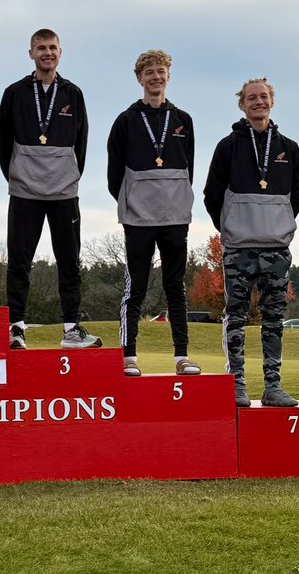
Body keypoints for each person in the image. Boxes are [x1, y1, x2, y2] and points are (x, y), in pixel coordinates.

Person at [204, 77, 299, 407]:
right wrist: (232, 227)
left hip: (276, 247)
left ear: (272, 101)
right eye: (251, 98)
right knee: (235, 314)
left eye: (263, 96)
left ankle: (273, 385)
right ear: (242, 104)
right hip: (238, 247)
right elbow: (211, 195)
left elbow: (296, 196)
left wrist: (279, 225)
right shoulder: (227, 146)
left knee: (274, 317)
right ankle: (237, 383)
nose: (258, 102)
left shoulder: (289, 148)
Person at [0, 29, 96, 350]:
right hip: (25, 191)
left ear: (60, 52)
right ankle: (16, 328)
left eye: (52, 47)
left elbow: (80, 144)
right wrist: (17, 176)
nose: (47, 53)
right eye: (41, 48)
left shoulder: (73, 94)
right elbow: (3, 145)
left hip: (63, 193)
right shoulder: (14, 93)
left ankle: (71, 329)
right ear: (31, 53)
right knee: (19, 262)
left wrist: (67, 175)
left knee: (69, 261)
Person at [108, 50, 200, 377]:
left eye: (160, 71)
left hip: (175, 218)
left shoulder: (183, 121)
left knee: (176, 287)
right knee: (136, 288)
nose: (155, 77)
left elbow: (188, 169)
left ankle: (182, 358)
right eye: (149, 72)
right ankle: (128, 356)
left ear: (168, 76)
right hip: (139, 220)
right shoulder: (126, 121)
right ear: (139, 79)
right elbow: (113, 176)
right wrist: (134, 204)